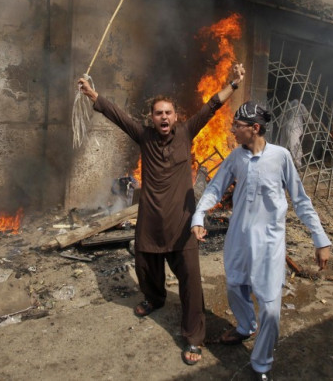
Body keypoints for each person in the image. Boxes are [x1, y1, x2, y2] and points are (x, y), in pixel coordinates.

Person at [77, 63, 245, 366]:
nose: (164, 117)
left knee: (191, 282)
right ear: (152, 118)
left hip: (182, 222)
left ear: (176, 116)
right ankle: (154, 298)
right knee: (145, 265)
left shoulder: (187, 132)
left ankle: (194, 337)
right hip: (151, 219)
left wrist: (233, 84)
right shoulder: (144, 136)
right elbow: (117, 115)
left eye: (168, 112)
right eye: (158, 113)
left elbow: (212, 106)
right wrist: (92, 94)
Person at [190, 101, 331, 381]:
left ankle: (261, 364)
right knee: (234, 286)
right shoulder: (235, 158)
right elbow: (215, 188)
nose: (232, 130)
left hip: (269, 244)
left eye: (238, 126)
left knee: (269, 307)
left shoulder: (281, 157)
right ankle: (245, 326)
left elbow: (301, 201)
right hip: (239, 239)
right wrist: (198, 216)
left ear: (255, 128)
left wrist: (320, 238)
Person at [281, 99, 308, 167]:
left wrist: (280, 125)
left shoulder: (288, 104)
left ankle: (281, 162)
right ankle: (298, 164)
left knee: (283, 146)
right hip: (294, 128)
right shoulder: (301, 105)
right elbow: (308, 117)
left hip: (285, 126)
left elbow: (281, 117)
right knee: (295, 146)